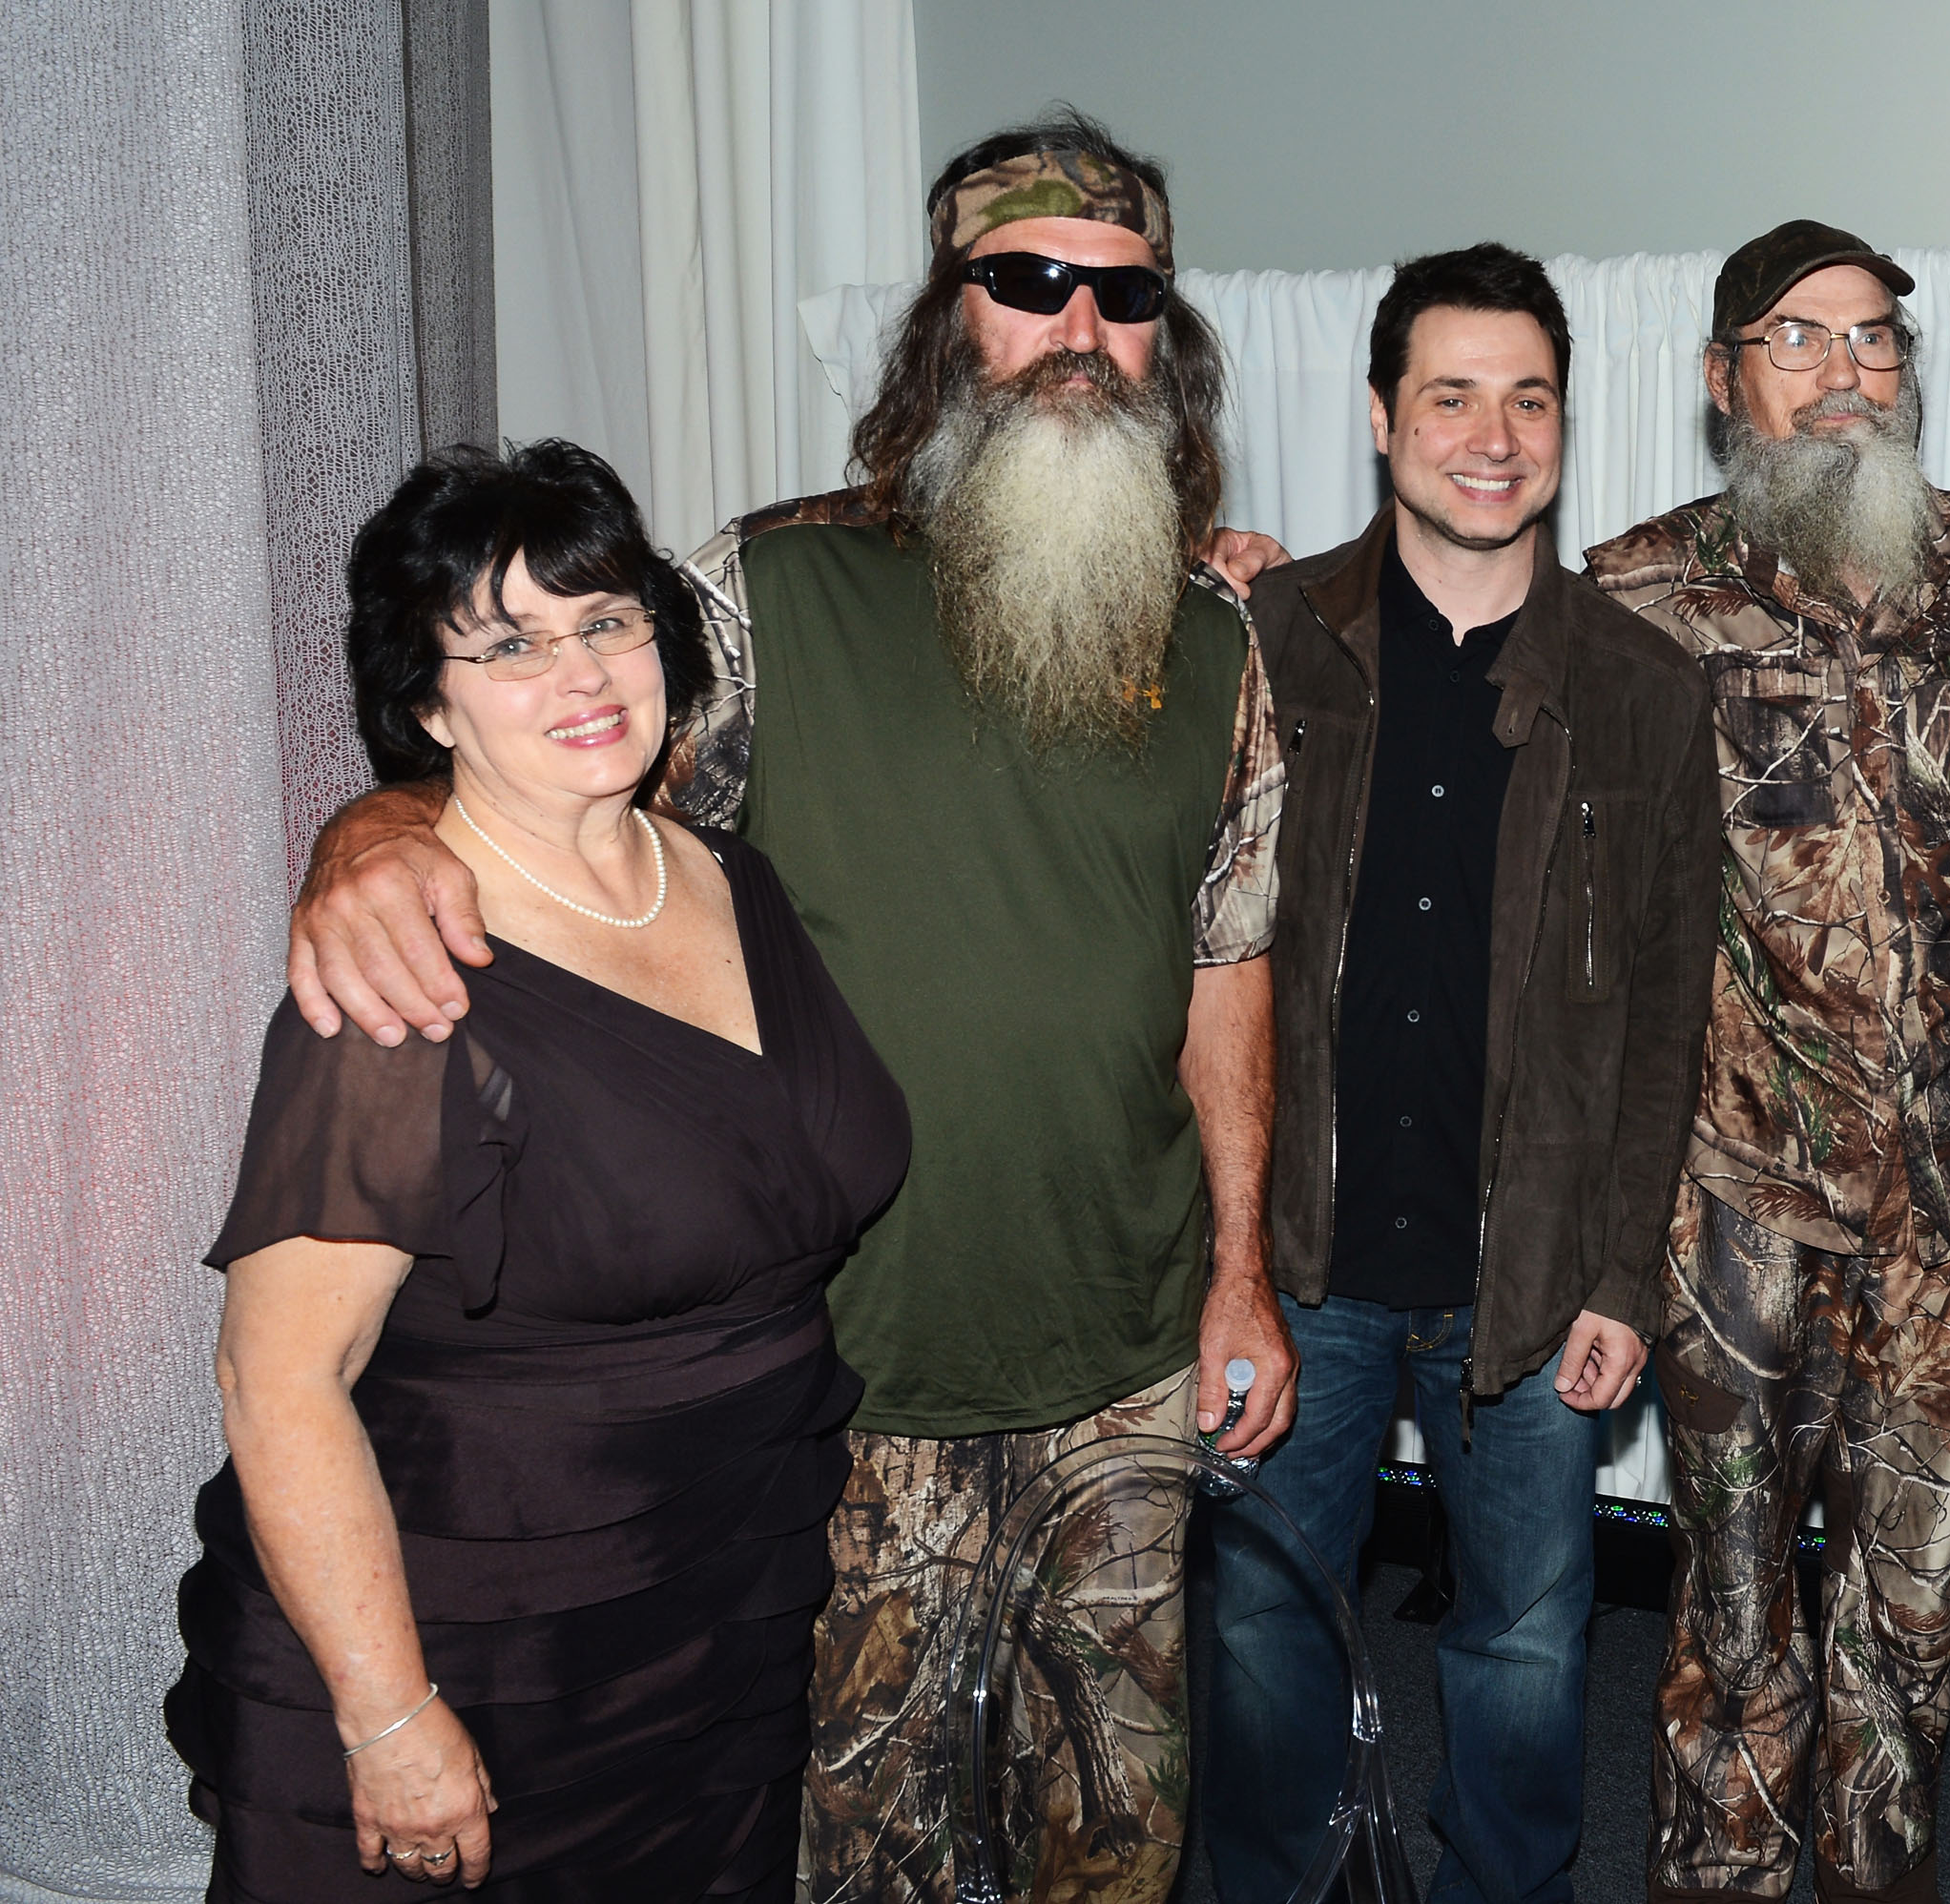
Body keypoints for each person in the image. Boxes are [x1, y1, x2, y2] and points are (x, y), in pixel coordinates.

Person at [283, 110, 1293, 1904]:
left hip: (1128, 1372)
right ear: (946, 324)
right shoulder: (768, 591)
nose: (1080, 329)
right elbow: (559, 782)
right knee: (859, 1855)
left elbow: (1228, 963)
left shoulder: (1217, 645)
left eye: (1123, 297)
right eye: (1030, 282)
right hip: (846, 1373)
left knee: (1119, 1846)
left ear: (1167, 339)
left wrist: (1238, 1272)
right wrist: (367, 831)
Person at [167, 441, 911, 1902]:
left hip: (719, 1603)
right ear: (428, 701)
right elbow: (279, 1378)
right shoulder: (403, 968)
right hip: (476, 1643)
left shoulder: (724, 876)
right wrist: (391, 1720)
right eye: (508, 645)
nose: (579, 675)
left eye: (606, 620)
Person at [1583, 222, 1950, 1904]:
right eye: (1798, 341)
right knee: (1735, 1611)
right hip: (1737, 1201)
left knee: (1914, 1611)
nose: (1845, 374)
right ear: (1726, 377)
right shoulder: (1635, 595)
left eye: (1875, 341)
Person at [1210, 244, 1719, 1903]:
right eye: (1451, 395)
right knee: (1262, 1627)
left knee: (1524, 1647)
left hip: (1535, 1287)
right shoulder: (1268, 641)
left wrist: (1627, 1276)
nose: (1491, 435)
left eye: (1529, 398)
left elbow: (1664, 1013)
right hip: (1297, 1273)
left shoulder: (1642, 692)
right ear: (1380, 417)